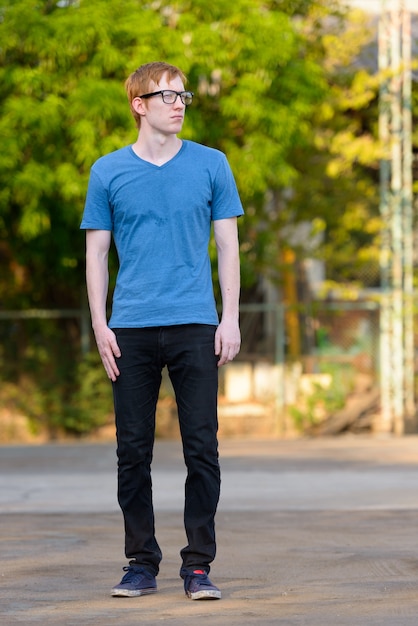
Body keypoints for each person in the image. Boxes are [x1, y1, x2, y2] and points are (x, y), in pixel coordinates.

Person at [80, 61, 243, 601]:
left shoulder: (212, 165)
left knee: (202, 448)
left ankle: (198, 565)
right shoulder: (108, 171)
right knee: (133, 451)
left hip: (196, 323)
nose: (178, 103)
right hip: (129, 327)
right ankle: (140, 562)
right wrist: (100, 323)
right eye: (166, 95)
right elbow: (97, 253)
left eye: (183, 96)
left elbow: (227, 247)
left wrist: (231, 316)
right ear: (139, 104)